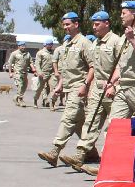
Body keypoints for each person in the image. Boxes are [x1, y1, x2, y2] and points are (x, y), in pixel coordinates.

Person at [38, 12, 96, 169]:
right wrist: (59, 86)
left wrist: (85, 84)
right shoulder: (67, 45)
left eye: (68, 24)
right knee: (79, 123)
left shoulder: (84, 43)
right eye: (63, 25)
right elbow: (66, 70)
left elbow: (93, 66)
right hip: (69, 88)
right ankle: (92, 153)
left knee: (68, 118)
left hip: (80, 88)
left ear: (76, 24)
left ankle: (54, 152)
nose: (65, 27)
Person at [75, 10, 118, 166]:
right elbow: (93, 68)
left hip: (113, 90)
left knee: (112, 127)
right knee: (91, 122)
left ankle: (108, 161)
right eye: (93, 24)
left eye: (97, 24)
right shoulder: (94, 43)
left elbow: (121, 66)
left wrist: (113, 84)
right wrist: (88, 86)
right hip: (97, 89)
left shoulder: (116, 41)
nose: (94, 27)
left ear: (107, 24)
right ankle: (80, 155)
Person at [7, 41, 34, 107]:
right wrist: (10, 73)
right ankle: (21, 100)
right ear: (18, 46)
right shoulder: (14, 53)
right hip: (17, 73)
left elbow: (30, 62)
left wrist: (33, 68)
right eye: (22, 46)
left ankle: (16, 97)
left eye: (24, 46)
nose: (23, 47)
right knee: (20, 86)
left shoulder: (27, 54)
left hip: (25, 73)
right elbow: (10, 63)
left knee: (24, 87)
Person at [33, 39, 55, 107]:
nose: (51, 46)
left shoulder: (53, 53)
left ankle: (52, 104)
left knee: (52, 88)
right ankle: (35, 100)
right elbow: (37, 63)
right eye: (49, 44)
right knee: (40, 88)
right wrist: (39, 72)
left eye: (52, 44)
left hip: (52, 73)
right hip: (43, 73)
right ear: (46, 45)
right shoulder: (40, 53)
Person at [51, 34, 71, 109]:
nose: (69, 41)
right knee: (57, 90)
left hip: (68, 74)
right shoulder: (59, 49)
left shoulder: (72, 49)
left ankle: (67, 105)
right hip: (59, 73)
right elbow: (54, 61)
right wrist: (56, 71)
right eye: (68, 40)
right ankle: (52, 103)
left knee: (66, 90)